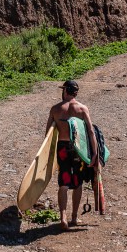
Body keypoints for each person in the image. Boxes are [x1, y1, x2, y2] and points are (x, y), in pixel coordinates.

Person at [45, 79, 98, 230]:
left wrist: (48, 157)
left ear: (65, 91)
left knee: (64, 182)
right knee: (78, 182)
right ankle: (74, 217)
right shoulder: (82, 109)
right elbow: (90, 131)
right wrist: (94, 154)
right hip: (78, 149)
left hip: (62, 148)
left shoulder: (55, 109)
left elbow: (48, 135)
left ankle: (63, 218)